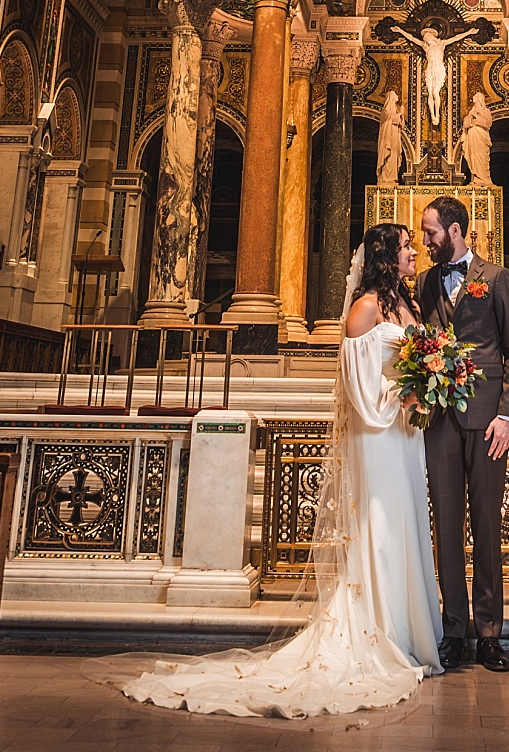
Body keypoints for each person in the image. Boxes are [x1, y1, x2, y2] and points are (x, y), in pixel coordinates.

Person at [116, 223, 443, 717]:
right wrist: (406, 394)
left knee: (405, 527)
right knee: (378, 529)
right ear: (385, 255)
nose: (414, 251)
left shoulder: (409, 307)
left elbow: (411, 364)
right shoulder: (365, 309)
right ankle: (379, 629)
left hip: (404, 436)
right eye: (405, 246)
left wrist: (424, 387)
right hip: (378, 436)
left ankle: (407, 629)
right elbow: (358, 391)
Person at [419, 195, 509, 676]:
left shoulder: (496, 279)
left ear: (455, 230)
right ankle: (454, 631)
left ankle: (489, 634)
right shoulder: (424, 283)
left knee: (484, 526)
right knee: (446, 527)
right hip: (440, 420)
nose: (425, 242)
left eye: (432, 233)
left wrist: (507, 416)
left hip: (486, 423)